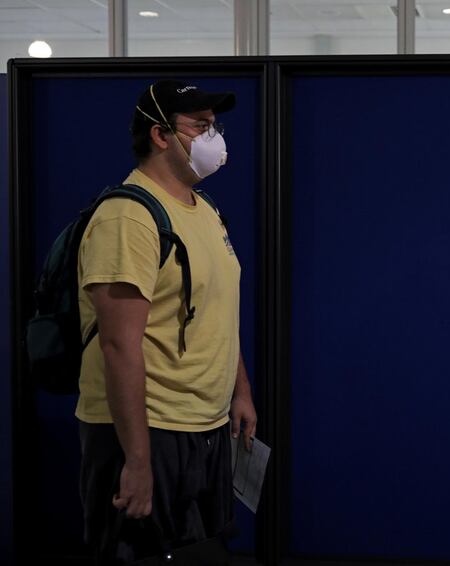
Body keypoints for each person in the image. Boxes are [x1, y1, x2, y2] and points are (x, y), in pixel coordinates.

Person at [76, 79, 257, 564]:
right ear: (160, 135)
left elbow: (215, 309)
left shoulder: (203, 210)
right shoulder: (128, 218)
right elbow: (118, 346)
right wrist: (136, 460)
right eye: (200, 126)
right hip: (149, 430)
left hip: (204, 424)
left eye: (214, 125)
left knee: (201, 551)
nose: (214, 137)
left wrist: (238, 392)